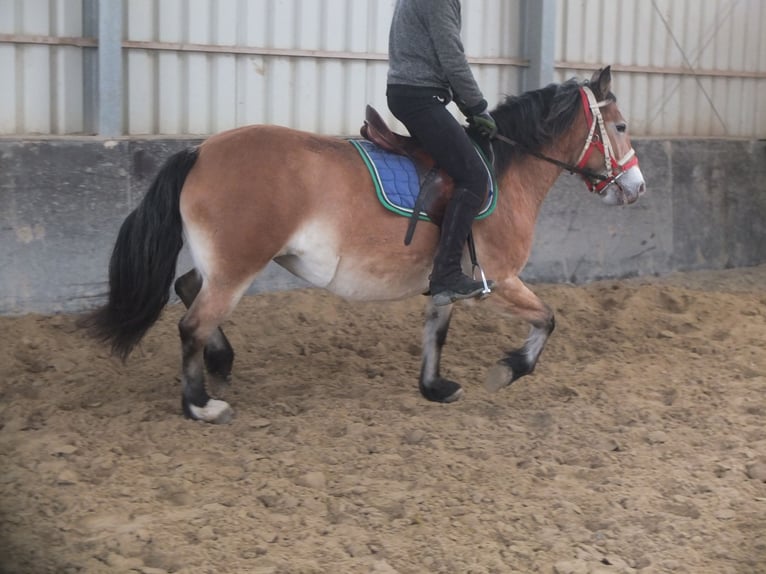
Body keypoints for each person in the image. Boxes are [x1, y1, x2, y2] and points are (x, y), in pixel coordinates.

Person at [387, 0, 498, 306]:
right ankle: (446, 274)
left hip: (410, 91)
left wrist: (467, 107)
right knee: (474, 176)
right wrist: (477, 107)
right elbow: (451, 56)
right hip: (420, 96)